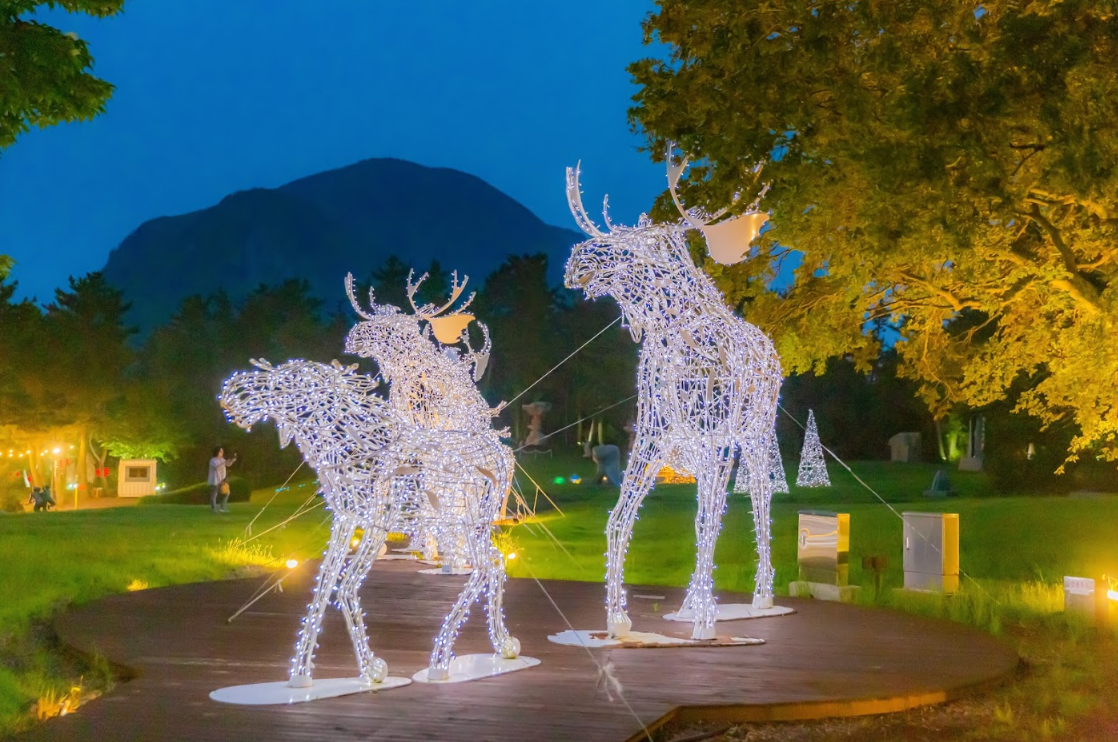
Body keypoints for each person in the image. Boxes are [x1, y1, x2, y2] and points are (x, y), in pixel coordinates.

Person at [208, 447, 238, 513]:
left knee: (227, 492)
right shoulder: (213, 460)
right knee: (214, 494)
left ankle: (222, 507)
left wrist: (232, 460)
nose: (222, 452)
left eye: (222, 451)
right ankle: (213, 509)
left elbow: (227, 465)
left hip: (222, 480)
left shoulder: (222, 459)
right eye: (220, 451)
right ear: (217, 452)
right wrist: (224, 462)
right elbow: (216, 467)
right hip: (215, 480)